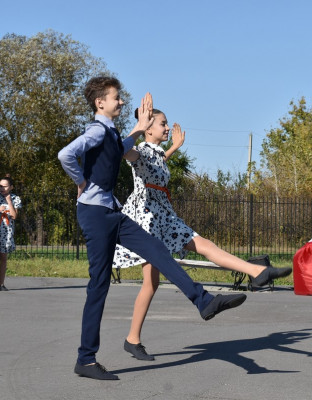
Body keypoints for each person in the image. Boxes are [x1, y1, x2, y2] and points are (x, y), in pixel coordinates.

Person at [58, 76, 247, 381]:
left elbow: (119, 148)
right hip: (95, 214)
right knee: (99, 285)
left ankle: (203, 301)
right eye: (116, 97)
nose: (121, 101)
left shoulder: (110, 131)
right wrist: (81, 182)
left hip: (112, 213)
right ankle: (86, 360)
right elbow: (65, 154)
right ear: (100, 102)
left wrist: (139, 127)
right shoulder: (96, 130)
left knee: (157, 249)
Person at [112, 109, 292, 361]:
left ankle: (257, 272)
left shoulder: (156, 153)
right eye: (163, 124)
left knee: (204, 245)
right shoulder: (140, 150)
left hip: (165, 216)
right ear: (148, 129)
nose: (167, 128)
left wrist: (174, 147)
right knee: (151, 284)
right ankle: (132, 339)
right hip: (147, 220)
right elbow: (123, 152)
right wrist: (138, 128)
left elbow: (157, 163)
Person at [0, 175, 21, 291]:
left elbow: (14, 216)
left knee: (3, 257)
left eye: (5, 186)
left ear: (11, 187)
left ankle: (1, 284)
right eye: (0, 186)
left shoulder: (15, 198)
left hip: (5, 233)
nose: (2, 188)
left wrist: (9, 201)